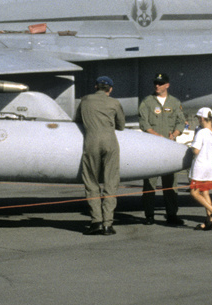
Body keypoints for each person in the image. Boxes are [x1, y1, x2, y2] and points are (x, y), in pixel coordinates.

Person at [77, 75, 126, 235]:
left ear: (96, 87)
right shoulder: (114, 103)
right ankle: (107, 224)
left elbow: (77, 120)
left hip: (91, 142)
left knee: (91, 183)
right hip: (110, 142)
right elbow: (121, 125)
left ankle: (96, 222)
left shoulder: (85, 100)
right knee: (110, 183)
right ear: (110, 89)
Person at [138, 71, 185, 225]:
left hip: (169, 149)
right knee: (150, 183)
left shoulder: (174, 102)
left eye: (160, 83)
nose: (157, 86)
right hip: (152, 148)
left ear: (167, 85)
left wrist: (175, 133)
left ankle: (172, 215)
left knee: (170, 184)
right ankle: (149, 215)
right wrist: (157, 136)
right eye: (155, 83)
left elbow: (180, 122)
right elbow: (144, 124)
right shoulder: (147, 102)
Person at [188, 107, 212, 230]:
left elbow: (196, 150)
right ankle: (209, 221)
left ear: (202, 118)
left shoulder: (201, 132)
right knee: (205, 192)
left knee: (194, 192)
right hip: (210, 167)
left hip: (200, 167)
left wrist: (191, 146)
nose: (198, 120)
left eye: (198, 118)